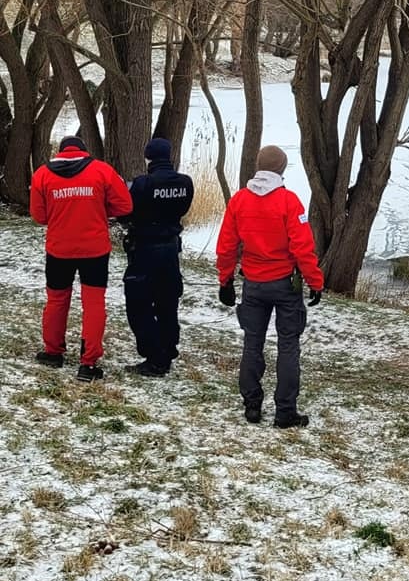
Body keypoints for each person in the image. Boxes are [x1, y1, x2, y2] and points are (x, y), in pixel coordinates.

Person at [216, 145, 324, 428]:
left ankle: (252, 405)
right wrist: (315, 281)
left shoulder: (239, 200)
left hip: (253, 284)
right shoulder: (289, 202)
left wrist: (225, 279)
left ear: (258, 166)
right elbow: (303, 248)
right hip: (285, 285)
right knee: (288, 346)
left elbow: (227, 246)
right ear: (282, 169)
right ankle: (285, 411)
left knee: (253, 344)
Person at [30, 135, 133, 381]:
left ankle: (53, 352)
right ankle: (88, 364)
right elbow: (125, 206)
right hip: (95, 249)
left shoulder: (42, 175)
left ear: (61, 152)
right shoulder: (102, 171)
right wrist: (99, 209)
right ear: (84, 152)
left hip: (58, 249)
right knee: (94, 303)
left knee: (56, 300)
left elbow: (39, 216)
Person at [120, 138, 194, 377]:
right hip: (171, 248)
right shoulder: (185, 183)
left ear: (148, 158)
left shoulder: (142, 184)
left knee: (138, 303)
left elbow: (126, 211)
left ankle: (154, 355)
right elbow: (182, 209)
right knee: (167, 301)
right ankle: (168, 348)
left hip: (144, 248)